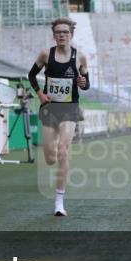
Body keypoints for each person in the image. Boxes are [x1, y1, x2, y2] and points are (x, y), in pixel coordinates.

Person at [28, 17, 89, 217]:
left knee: (63, 149)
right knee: (50, 158)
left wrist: (83, 82)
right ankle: (54, 160)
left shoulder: (79, 56)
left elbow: (86, 83)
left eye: (65, 32)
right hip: (50, 108)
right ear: (54, 35)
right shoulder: (46, 54)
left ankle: (59, 202)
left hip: (70, 108)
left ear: (71, 34)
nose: (62, 35)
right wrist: (39, 93)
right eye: (58, 32)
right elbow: (31, 75)